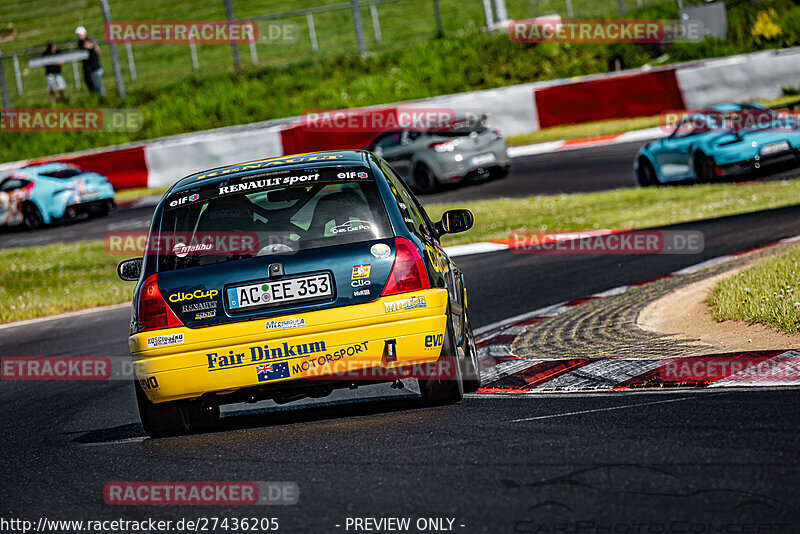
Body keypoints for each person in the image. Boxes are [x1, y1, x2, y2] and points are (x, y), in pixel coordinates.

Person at [75, 26, 105, 96]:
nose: (79, 36)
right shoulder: (80, 43)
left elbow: (97, 49)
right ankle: (96, 100)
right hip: (87, 69)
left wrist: (91, 47)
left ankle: (104, 100)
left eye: (81, 34)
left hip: (94, 68)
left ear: (85, 33)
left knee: (98, 86)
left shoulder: (89, 40)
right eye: (78, 34)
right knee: (91, 87)